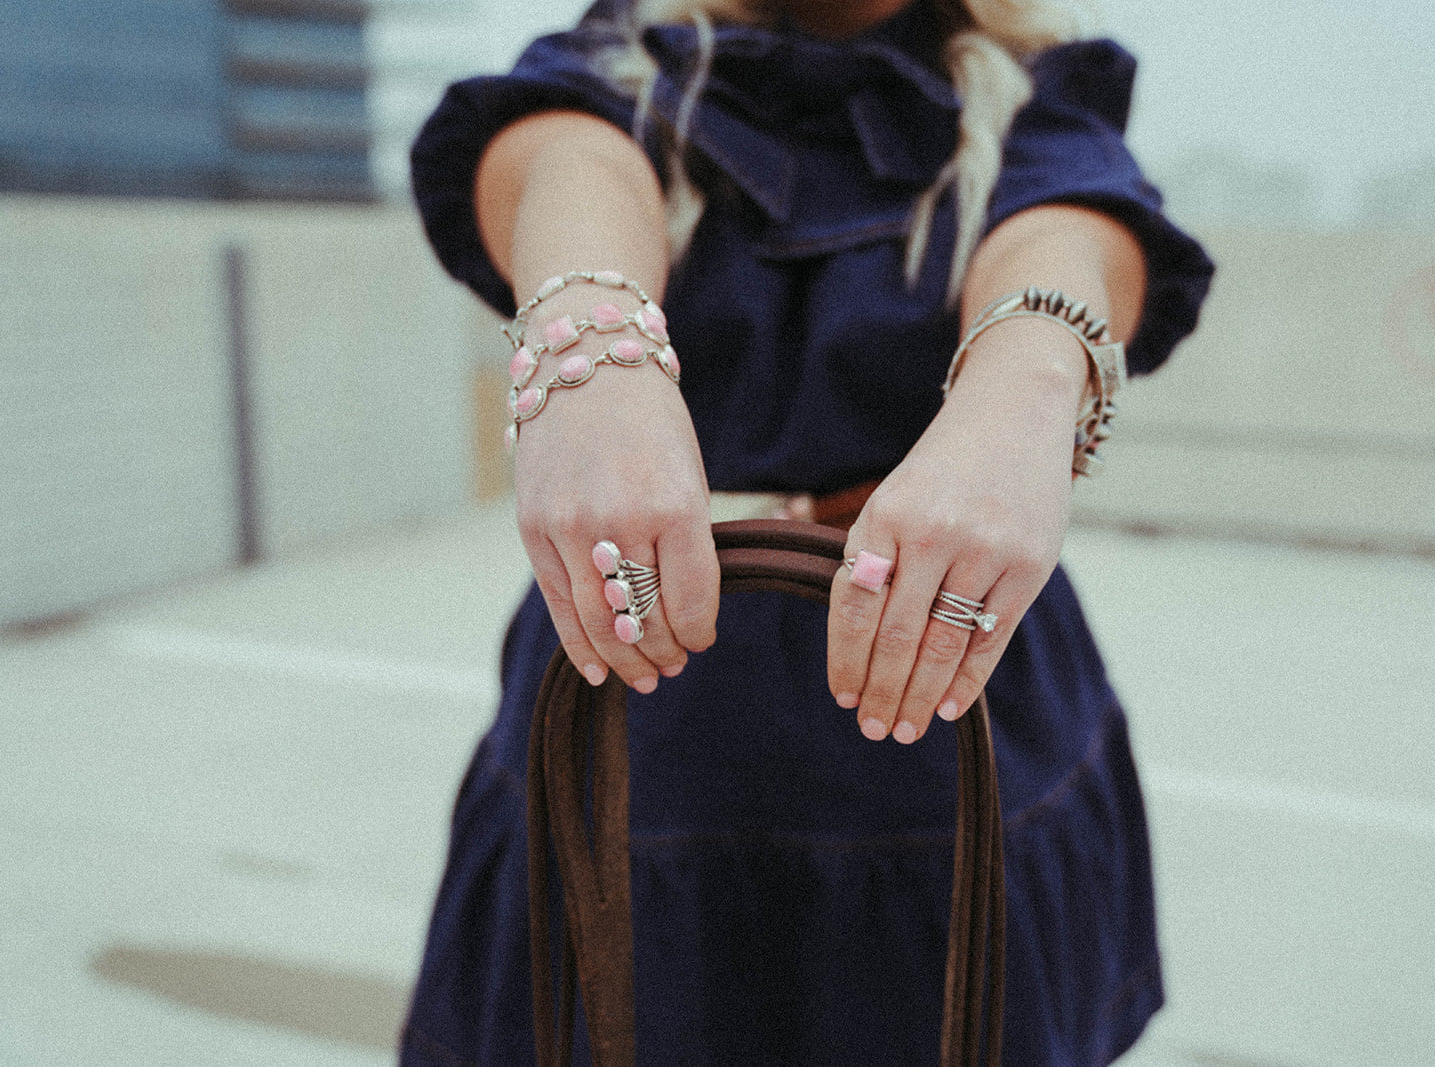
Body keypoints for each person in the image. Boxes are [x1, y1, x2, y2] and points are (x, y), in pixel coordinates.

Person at [402, 0, 1213, 1062]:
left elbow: (1063, 229)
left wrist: (1024, 377)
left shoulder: (1028, 96)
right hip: (637, 722)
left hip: (945, 710)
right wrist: (591, 346)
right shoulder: (616, 67)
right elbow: (569, 160)